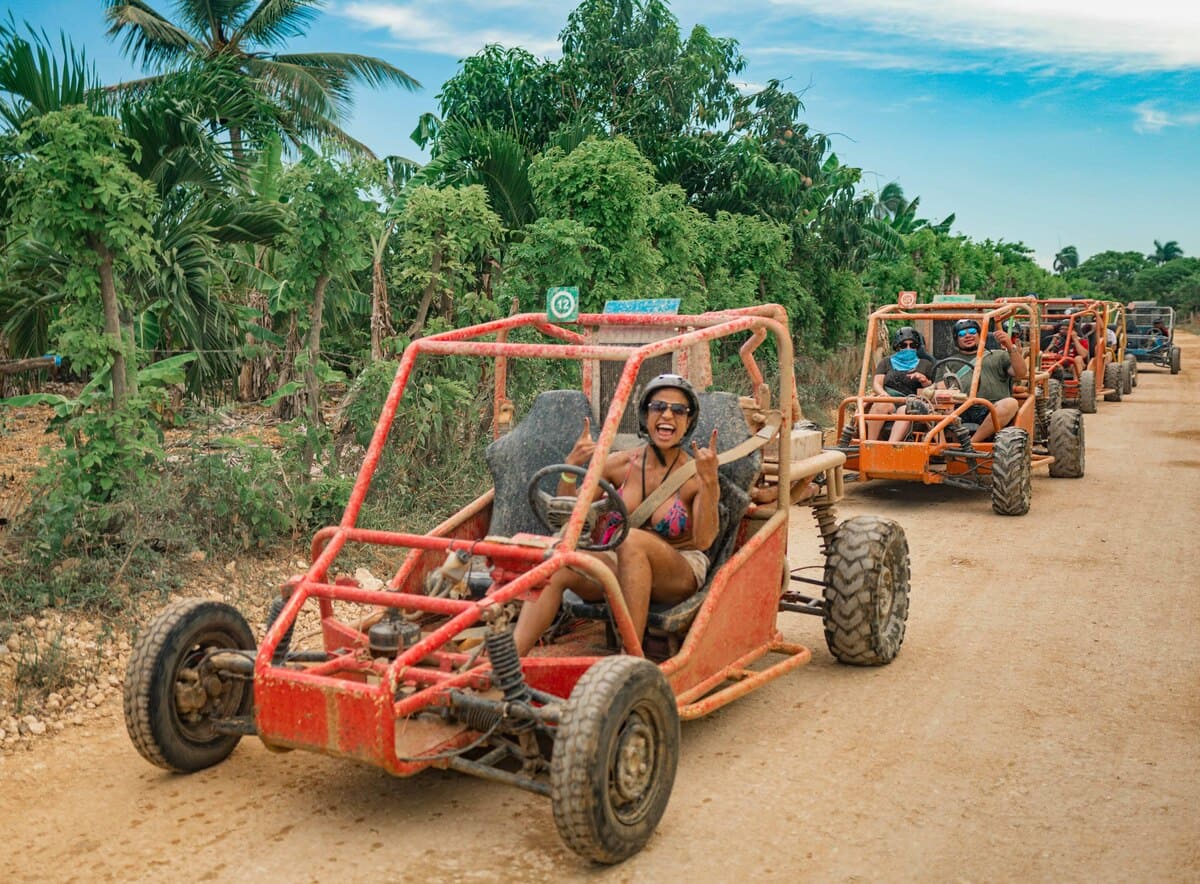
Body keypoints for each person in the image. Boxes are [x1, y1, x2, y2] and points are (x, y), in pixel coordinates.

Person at [512, 374, 721, 655]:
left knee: (631, 540)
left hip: (678, 571)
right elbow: (572, 516)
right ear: (646, 414)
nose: (667, 415)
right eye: (658, 407)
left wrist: (710, 483)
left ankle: (630, 657)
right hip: (617, 562)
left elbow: (705, 539)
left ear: (688, 421)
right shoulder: (618, 465)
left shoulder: (696, 475)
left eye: (678, 410)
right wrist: (570, 466)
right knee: (560, 561)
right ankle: (507, 665)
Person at [943, 318, 1028, 444]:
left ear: (980, 335)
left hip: (992, 409)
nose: (967, 335)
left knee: (1010, 403)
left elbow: (1020, 373)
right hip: (959, 409)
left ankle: (972, 443)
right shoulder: (948, 362)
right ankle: (937, 448)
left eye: (972, 331)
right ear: (956, 340)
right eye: (962, 334)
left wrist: (1010, 346)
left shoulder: (999, 356)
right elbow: (940, 387)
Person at [867, 326, 934, 442]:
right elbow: (877, 383)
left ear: (917, 347)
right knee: (880, 405)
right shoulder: (886, 362)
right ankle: (869, 444)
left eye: (912, 345)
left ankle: (890, 446)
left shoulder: (926, 364)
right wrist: (883, 394)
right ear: (897, 347)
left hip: (913, 402)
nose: (908, 348)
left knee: (905, 410)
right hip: (889, 399)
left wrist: (924, 381)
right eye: (904, 345)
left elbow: (932, 388)